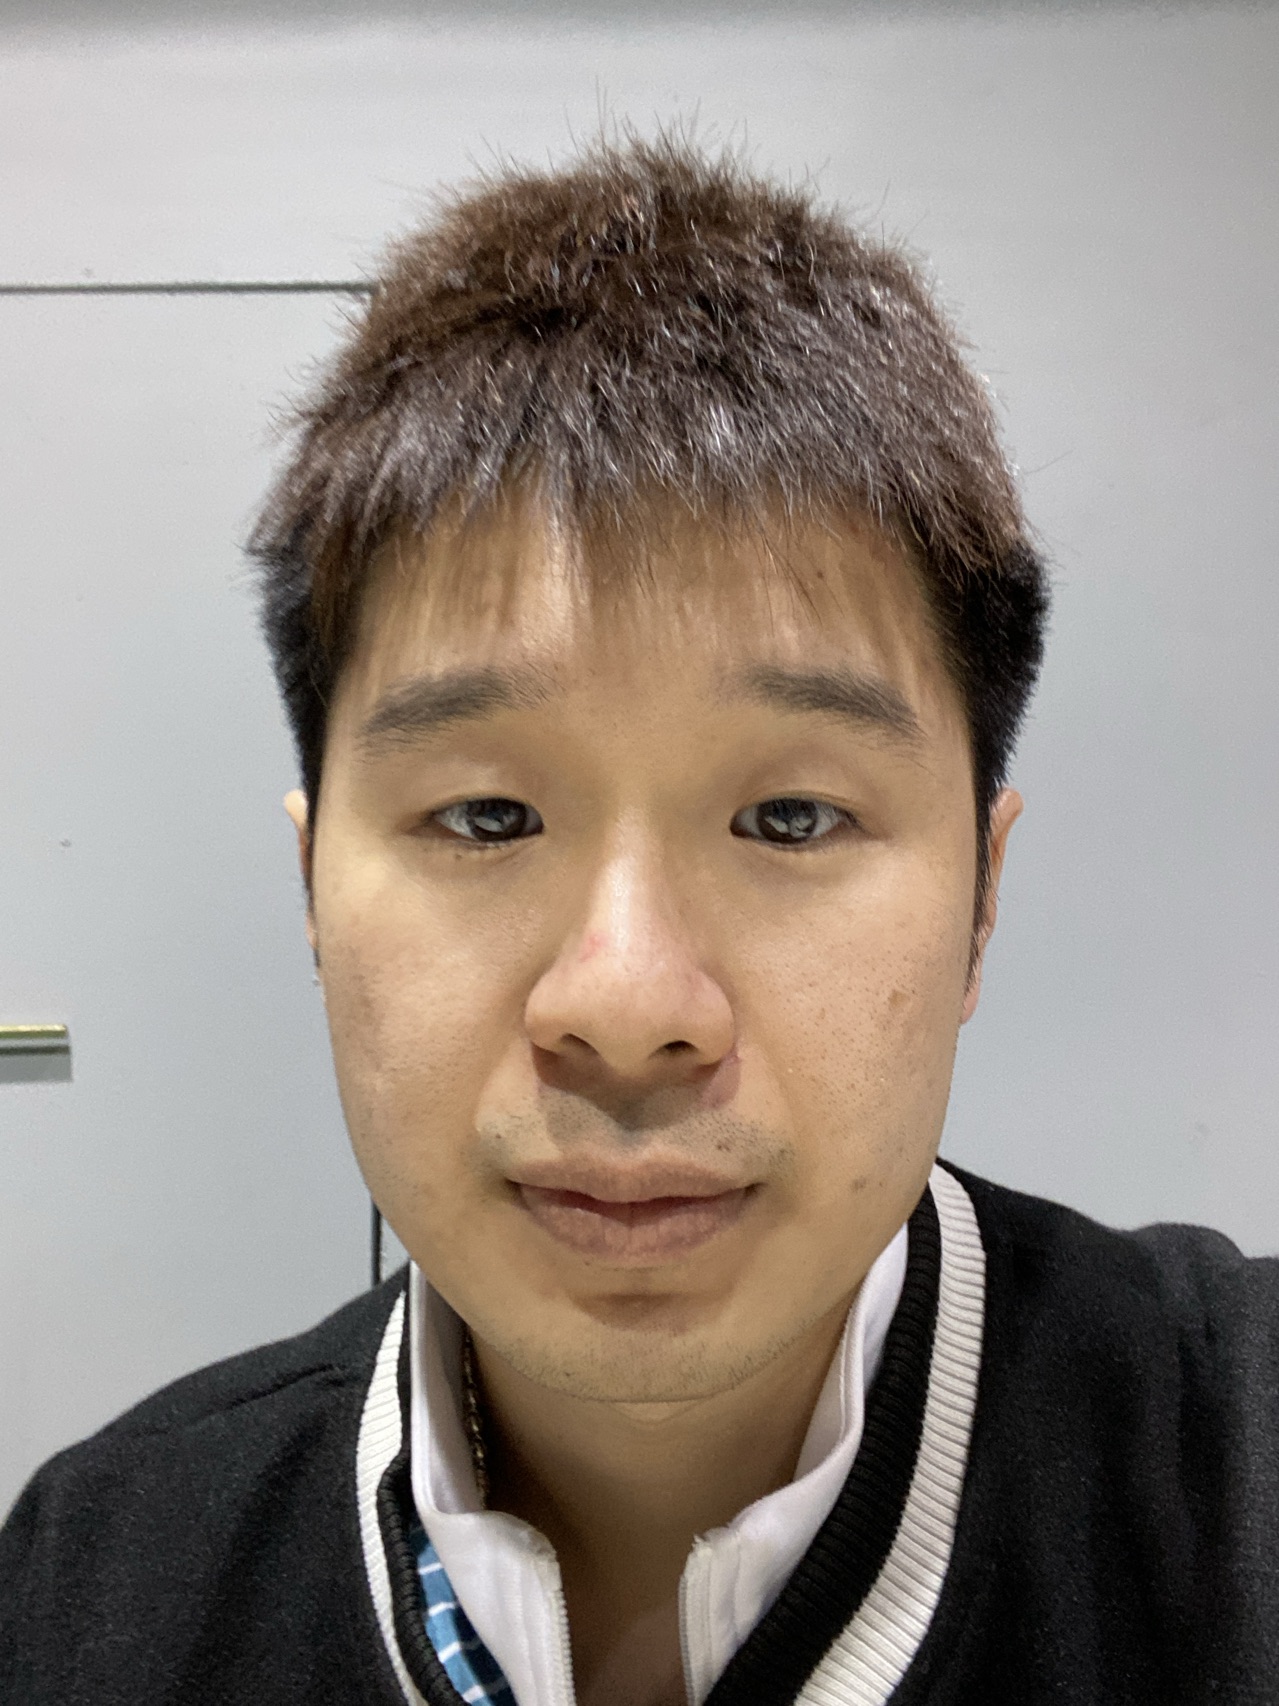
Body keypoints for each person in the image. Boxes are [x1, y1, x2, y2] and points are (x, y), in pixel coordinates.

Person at [1, 136, 1275, 1706]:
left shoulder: (1239, 1489)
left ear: (984, 897)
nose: (625, 1004)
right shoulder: (91, 1584)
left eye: (791, 816)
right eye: (487, 815)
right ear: (311, 885)